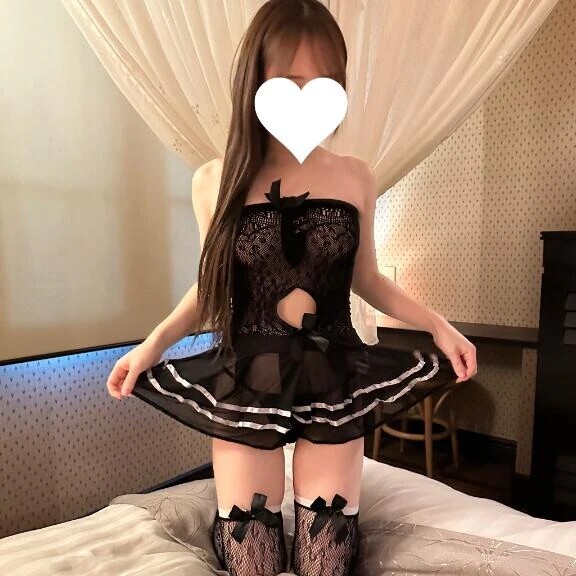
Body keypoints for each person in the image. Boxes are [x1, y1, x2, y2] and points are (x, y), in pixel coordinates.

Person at [106, 1, 477, 575]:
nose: (309, 94)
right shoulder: (215, 180)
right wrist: (150, 347)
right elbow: (209, 289)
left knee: (325, 556)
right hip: (248, 375)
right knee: (250, 554)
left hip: (333, 374)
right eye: (291, 80)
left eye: (325, 81)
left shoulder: (355, 175)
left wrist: (438, 325)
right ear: (255, 81)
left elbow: (368, 278)